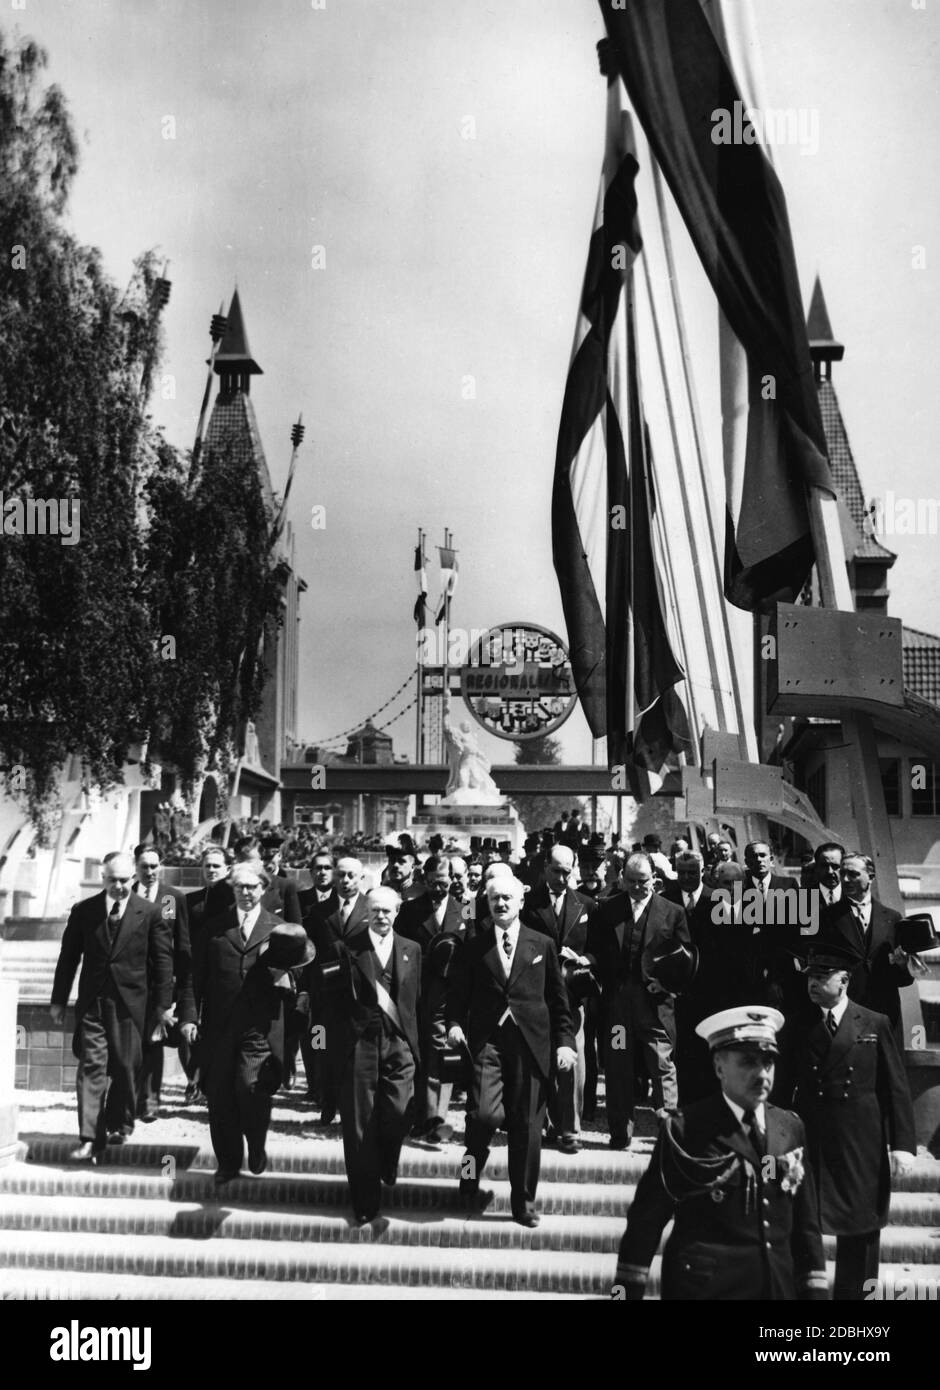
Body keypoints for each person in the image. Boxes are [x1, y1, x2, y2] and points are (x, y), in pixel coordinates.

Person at [612, 1006, 828, 1301]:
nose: (761, 1074)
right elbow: (645, 1223)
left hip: (776, 1289)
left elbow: (806, 1228)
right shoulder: (686, 1130)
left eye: (768, 1062)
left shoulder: (789, 1128)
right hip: (705, 1289)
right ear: (719, 1066)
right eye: (748, 1062)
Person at [790, 940, 916, 1300]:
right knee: (803, 1225)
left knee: (860, 1227)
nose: (813, 983)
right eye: (810, 977)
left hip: (862, 1142)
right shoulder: (799, 1024)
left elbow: (895, 1088)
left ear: (843, 981)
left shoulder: (874, 1022)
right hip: (811, 1140)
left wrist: (903, 1145)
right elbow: (782, 1088)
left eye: (822, 977)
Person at [447, 875, 576, 1227]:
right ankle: (470, 1170)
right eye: (494, 899)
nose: (501, 904)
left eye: (507, 898)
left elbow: (559, 1002)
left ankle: (523, 1203)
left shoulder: (543, 944)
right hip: (487, 1041)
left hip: (530, 1045)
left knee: (527, 1127)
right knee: (483, 1115)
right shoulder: (473, 946)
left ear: (520, 902)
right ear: (487, 903)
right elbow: (457, 994)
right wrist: (454, 1024)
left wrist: (565, 1043)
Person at [50, 852, 176, 1160]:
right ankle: (90, 1137)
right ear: (102, 879)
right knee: (91, 1067)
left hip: (131, 1005)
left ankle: (120, 1122)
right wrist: (58, 1000)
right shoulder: (84, 911)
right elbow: (68, 958)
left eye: (124, 880)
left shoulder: (149, 912)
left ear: (131, 877)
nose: (119, 886)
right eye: (112, 880)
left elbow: (162, 962)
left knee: (124, 1066)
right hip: (93, 1003)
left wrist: (162, 1006)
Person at [328, 887, 422, 1225]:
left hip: (399, 1042)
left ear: (397, 912)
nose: (382, 916)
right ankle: (365, 1201)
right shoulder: (345, 949)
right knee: (359, 1126)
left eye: (388, 910)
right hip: (360, 1044)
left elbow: (417, 1004)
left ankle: (389, 1156)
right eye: (376, 910)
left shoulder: (413, 949)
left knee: (398, 1111)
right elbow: (330, 1006)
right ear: (367, 911)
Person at [192, 861, 287, 1185]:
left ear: (263, 889)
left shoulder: (279, 929)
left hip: (258, 1027)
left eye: (252, 887)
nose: (246, 893)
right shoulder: (213, 929)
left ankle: (256, 1143)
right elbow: (195, 981)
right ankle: (228, 1162)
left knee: (250, 1087)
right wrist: (189, 1018)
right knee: (219, 1095)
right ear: (233, 890)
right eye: (239, 887)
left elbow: (299, 975)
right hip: (219, 1029)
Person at [587, 853, 691, 1147]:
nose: (636, 887)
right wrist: (586, 961)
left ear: (654, 880)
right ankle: (620, 1132)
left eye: (642, 882)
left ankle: (669, 1134)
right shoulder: (608, 909)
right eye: (630, 881)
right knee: (618, 1067)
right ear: (622, 879)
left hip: (654, 1007)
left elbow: (687, 958)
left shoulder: (672, 912)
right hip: (619, 1006)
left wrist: (667, 984)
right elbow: (595, 949)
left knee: (662, 1065)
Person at [523, 844, 596, 1153]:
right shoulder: (527, 904)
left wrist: (584, 959)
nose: (563, 878)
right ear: (545, 870)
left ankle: (570, 1129)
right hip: (536, 994)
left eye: (568, 872)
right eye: (557, 871)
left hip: (571, 996)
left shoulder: (588, 905)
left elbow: (600, 949)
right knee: (537, 1060)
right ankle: (541, 1124)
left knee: (572, 1060)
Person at [397, 855, 472, 1143]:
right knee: (419, 1052)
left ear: (452, 879)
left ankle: (436, 1118)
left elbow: (473, 947)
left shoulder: (467, 909)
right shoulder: (410, 910)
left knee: (442, 1050)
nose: (437, 889)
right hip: (417, 990)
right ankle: (421, 1116)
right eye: (431, 884)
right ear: (423, 880)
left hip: (451, 992)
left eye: (442, 883)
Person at [818, 853, 916, 1040]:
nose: (845, 879)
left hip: (885, 1014)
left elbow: (904, 980)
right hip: (845, 1013)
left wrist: (903, 965)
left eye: (853, 874)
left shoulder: (892, 919)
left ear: (870, 876)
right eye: (843, 873)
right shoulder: (827, 918)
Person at [132, 844, 195, 1121]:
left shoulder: (171, 899)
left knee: (153, 1040)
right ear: (136, 866)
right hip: (129, 981)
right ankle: (128, 1098)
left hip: (160, 981)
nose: (149, 872)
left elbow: (181, 944)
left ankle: (150, 1100)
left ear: (161, 866)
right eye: (144, 866)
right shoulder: (126, 894)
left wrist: (179, 988)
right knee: (129, 1041)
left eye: (154, 866)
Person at [307, 855, 371, 1124]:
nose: (345, 881)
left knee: (358, 1049)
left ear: (360, 879)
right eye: (341, 875)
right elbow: (310, 954)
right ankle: (327, 1100)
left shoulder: (371, 909)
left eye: (351, 876)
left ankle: (354, 1104)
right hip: (328, 994)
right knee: (324, 1048)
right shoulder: (319, 912)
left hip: (362, 993)